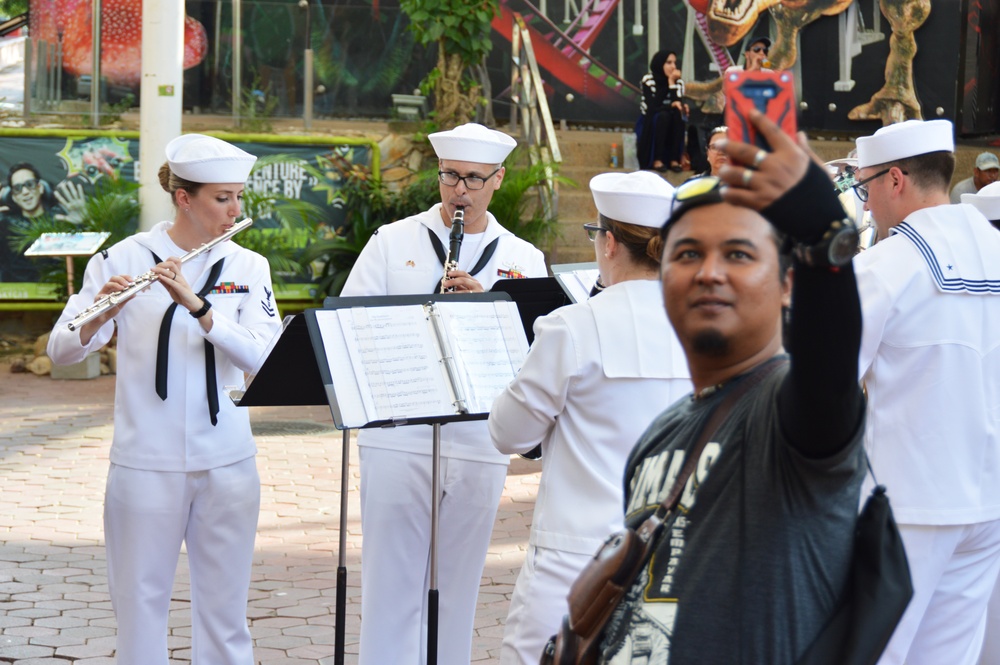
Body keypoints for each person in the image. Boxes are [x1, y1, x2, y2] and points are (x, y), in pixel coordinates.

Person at [596, 110, 867, 663]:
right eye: (688, 253)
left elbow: (829, 359)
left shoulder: (790, 415)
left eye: (739, 254)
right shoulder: (659, 434)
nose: (709, 272)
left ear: (789, 283)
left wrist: (821, 229)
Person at [47, 134, 280, 664]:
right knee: (139, 610)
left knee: (225, 617)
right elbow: (60, 350)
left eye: (238, 197)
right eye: (223, 198)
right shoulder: (120, 258)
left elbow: (264, 361)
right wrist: (102, 314)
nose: (235, 210)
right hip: (143, 464)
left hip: (228, 462)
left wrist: (203, 310)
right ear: (183, 197)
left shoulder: (249, 267)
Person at [340, 122, 548, 665]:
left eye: (474, 179)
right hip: (398, 435)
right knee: (389, 585)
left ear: (497, 180)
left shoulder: (523, 258)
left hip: (480, 440)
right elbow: (350, 326)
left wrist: (492, 311)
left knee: (457, 586)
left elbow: (542, 354)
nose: (461, 191)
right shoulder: (393, 241)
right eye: (450, 176)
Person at [489, 171, 692, 665]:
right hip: (671, 560)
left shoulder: (572, 325)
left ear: (608, 243)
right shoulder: (708, 324)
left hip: (572, 559)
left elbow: (508, 433)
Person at [851, 119, 1000, 665]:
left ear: (895, 180)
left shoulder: (884, 266)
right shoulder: (994, 246)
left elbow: (825, 385)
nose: (865, 206)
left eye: (865, 186)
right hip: (988, 498)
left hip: (909, 501)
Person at [637, 50, 688, 173]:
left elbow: (678, 104)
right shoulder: (648, 80)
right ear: (660, 64)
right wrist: (668, 86)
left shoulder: (678, 82)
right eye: (669, 63)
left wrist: (671, 84)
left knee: (677, 115)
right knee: (664, 116)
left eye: (675, 63)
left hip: (671, 117)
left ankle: (674, 160)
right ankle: (657, 160)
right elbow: (652, 106)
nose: (673, 67)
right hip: (651, 118)